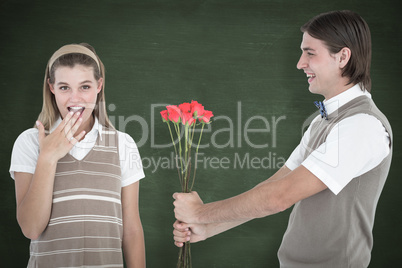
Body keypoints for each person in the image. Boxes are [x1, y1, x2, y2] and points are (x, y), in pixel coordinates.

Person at [172, 10, 393, 267]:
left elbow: (279, 197)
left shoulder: (362, 126)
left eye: (310, 53)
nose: (300, 63)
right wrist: (208, 227)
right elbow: (274, 185)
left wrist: (200, 213)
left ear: (343, 57)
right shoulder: (322, 121)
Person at [9, 43, 146, 267]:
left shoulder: (123, 144)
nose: (75, 99)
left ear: (99, 85)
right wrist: (48, 157)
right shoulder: (30, 142)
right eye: (64, 87)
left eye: (84, 87)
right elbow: (31, 228)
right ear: (51, 87)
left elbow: (131, 230)